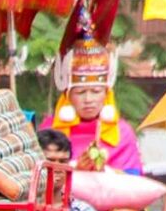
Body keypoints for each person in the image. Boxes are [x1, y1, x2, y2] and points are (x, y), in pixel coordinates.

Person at [50, 38, 143, 173]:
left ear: (106, 94)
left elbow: (134, 180)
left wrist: (105, 171)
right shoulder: (50, 131)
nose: (88, 99)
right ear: (68, 95)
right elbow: (39, 178)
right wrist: (75, 169)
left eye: (96, 91)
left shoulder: (123, 132)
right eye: (80, 92)